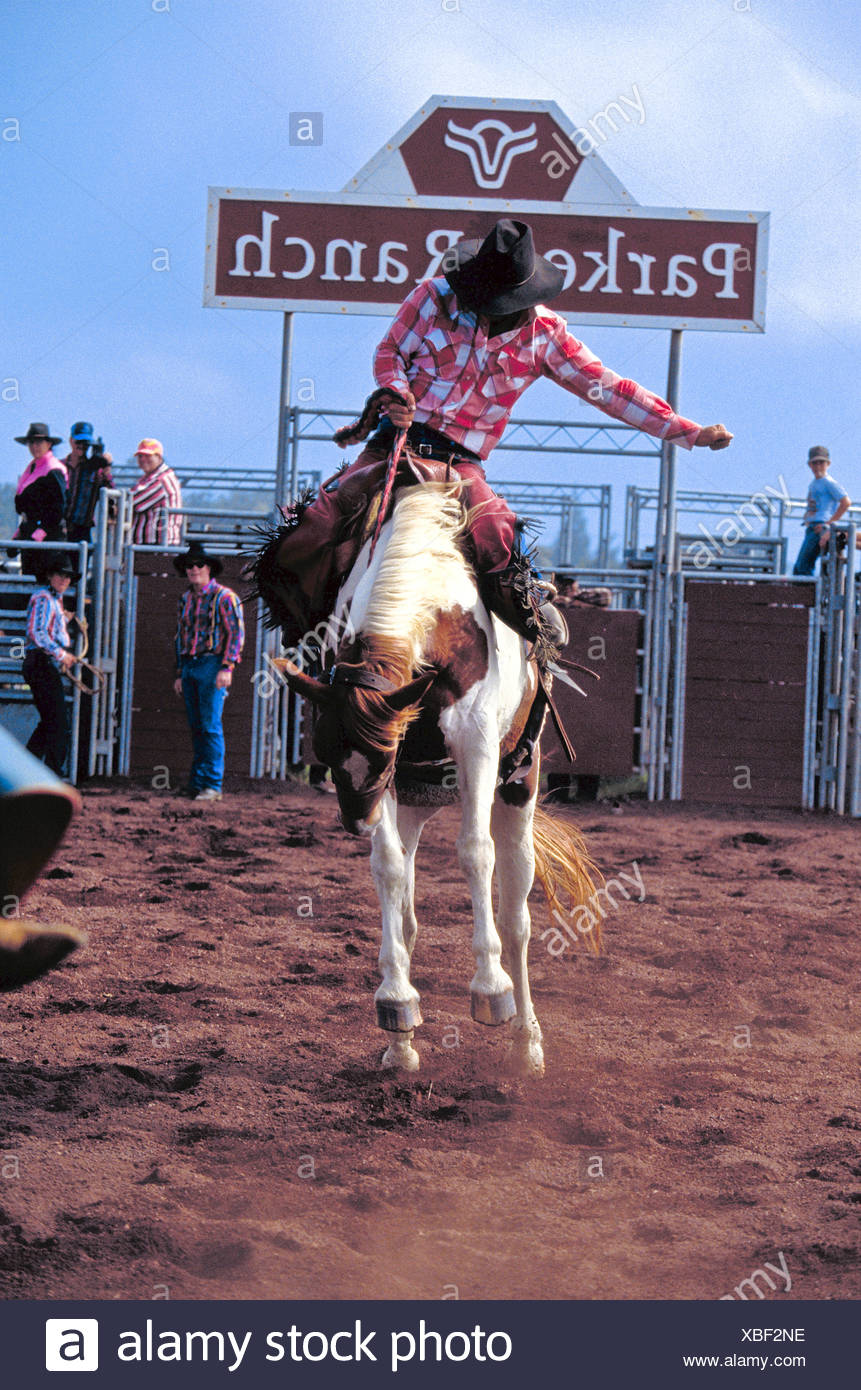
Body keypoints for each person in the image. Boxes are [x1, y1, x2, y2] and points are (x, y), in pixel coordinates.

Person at [268, 219, 732, 648]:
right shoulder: (431, 297)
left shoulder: (547, 336)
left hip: (459, 463)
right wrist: (396, 390)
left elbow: (611, 391)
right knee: (315, 527)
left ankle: (528, 644)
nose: (487, 309)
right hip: (397, 441)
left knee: (495, 541)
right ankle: (301, 634)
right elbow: (391, 351)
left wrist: (687, 431)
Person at [172, 541, 244, 802]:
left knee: (210, 726)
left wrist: (227, 666)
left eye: (199, 564)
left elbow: (235, 634)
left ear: (209, 568)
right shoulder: (186, 599)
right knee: (198, 726)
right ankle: (199, 782)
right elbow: (181, 637)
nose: (194, 569)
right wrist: (180, 672)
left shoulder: (225, 597)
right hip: (191, 665)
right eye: (189, 565)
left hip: (213, 664)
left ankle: (212, 784)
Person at [22, 551, 79, 777]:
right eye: (60, 575)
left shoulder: (52, 600)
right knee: (57, 721)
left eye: (67, 576)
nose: (64, 580)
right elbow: (37, 632)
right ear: (49, 576)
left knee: (50, 720)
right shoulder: (45, 599)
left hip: (41, 664)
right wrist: (61, 654)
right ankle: (52, 771)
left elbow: (45, 628)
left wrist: (64, 619)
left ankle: (29, 769)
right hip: (41, 664)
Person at [11, 423, 68, 576]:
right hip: (32, 534)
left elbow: (59, 507)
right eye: (31, 442)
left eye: (39, 442)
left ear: (48, 444)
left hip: (49, 538)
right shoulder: (33, 467)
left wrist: (42, 531)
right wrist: (20, 534)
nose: (34, 446)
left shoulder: (53, 469)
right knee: (29, 580)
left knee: (44, 581)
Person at [792, 445, 850, 576]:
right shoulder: (815, 483)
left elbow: (845, 502)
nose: (818, 466)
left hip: (821, 526)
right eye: (815, 463)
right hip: (812, 525)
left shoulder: (829, 483)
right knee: (801, 566)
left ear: (828, 464)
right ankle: (803, 592)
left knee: (804, 566)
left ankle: (805, 594)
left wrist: (829, 524)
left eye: (821, 462)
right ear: (810, 465)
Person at [63, 421, 114, 544]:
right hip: (59, 528)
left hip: (82, 531)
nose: (81, 446)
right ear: (71, 441)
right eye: (78, 442)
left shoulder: (96, 471)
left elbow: (111, 497)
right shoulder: (60, 466)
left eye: (85, 443)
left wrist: (107, 470)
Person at [130, 438, 182, 546]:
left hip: (158, 546)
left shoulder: (161, 480)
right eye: (140, 456)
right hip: (150, 544)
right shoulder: (149, 478)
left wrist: (117, 504)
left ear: (159, 457)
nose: (143, 459)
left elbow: (132, 502)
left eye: (148, 456)